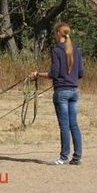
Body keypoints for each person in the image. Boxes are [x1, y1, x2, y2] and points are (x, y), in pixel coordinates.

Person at [30, 22, 84, 165]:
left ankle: (63, 157)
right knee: (74, 124)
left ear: (59, 33)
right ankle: (77, 157)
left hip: (61, 92)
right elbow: (80, 73)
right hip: (74, 91)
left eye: (55, 33)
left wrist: (38, 74)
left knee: (64, 126)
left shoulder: (56, 51)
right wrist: (69, 78)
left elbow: (54, 73)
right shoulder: (77, 50)